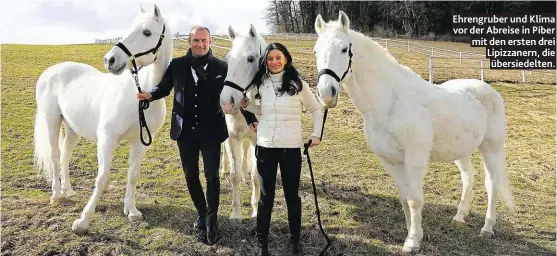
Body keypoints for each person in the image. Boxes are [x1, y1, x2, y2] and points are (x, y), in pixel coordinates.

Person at [137, 25, 258, 245]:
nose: (200, 44)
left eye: (204, 41)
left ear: (210, 42)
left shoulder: (222, 66)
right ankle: (202, 214)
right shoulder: (177, 65)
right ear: (189, 42)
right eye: (196, 41)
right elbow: (164, 88)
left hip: (211, 132)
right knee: (190, 176)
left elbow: (237, 92)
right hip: (184, 132)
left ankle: (212, 222)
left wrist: (248, 113)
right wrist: (149, 95)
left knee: (211, 177)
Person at [240, 42, 323, 256]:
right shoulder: (261, 83)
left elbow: (315, 108)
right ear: (265, 62)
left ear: (285, 58)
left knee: (291, 196)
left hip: (291, 150)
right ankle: (262, 243)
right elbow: (261, 110)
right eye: (270, 59)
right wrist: (246, 106)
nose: (274, 62)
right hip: (266, 148)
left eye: (278, 57)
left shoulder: (298, 84)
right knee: (266, 197)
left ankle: (295, 241)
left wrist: (316, 134)